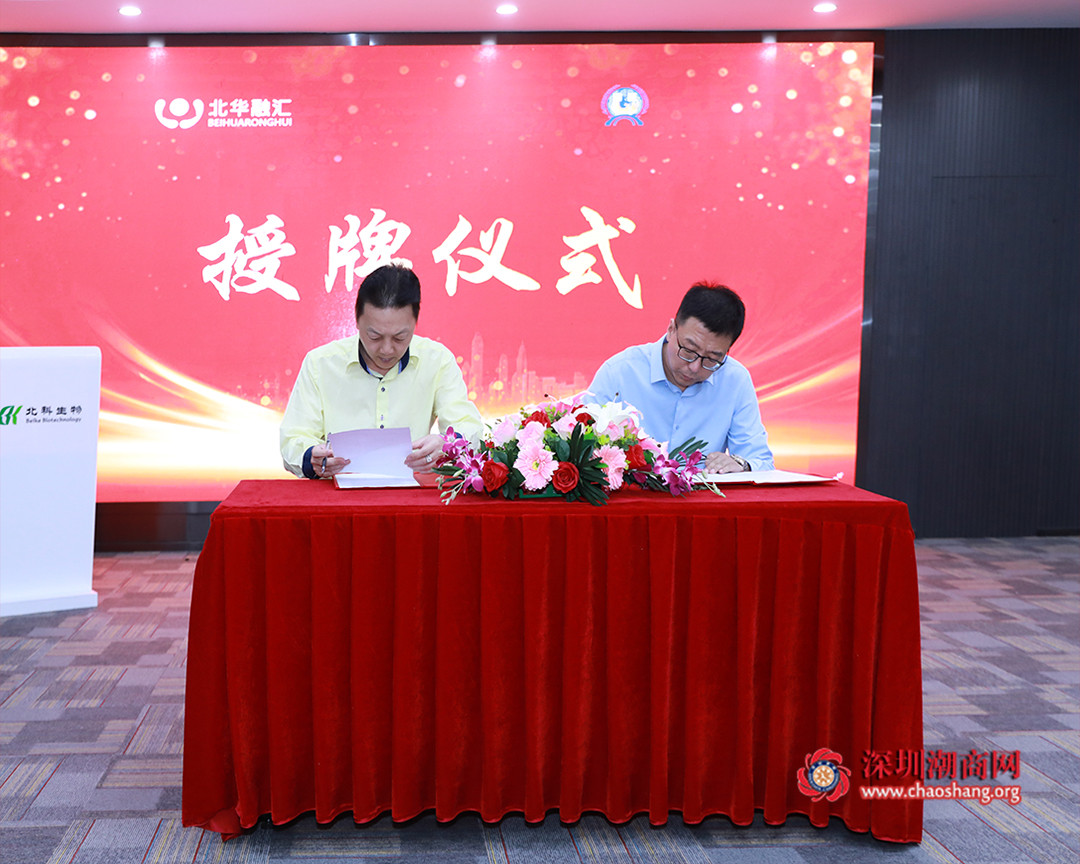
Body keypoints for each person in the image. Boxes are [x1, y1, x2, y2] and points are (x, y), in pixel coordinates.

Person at [280, 262, 483, 479]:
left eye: (399, 337)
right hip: (336, 493)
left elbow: (469, 426)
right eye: (374, 336)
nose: (387, 349)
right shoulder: (320, 364)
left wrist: (448, 443)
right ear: (357, 321)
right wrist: (312, 457)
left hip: (411, 494)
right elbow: (293, 439)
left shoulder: (437, 360)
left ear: (415, 323)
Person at [587, 281, 774, 473]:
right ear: (671, 329)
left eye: (711, 359)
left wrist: (742, 465)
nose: (694, 367)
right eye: (689, 350)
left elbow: (761, 462)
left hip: (703, 492)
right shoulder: (619, 372)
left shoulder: (735, 380)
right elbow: (581, 445)